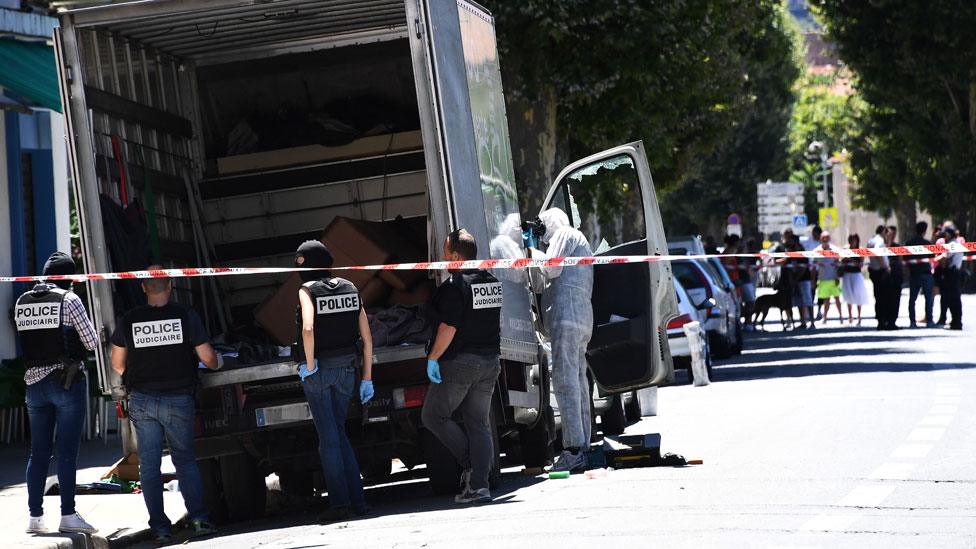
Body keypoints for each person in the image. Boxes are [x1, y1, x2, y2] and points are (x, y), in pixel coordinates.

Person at [110, 268, 220, 543]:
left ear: (144, 288)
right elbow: (208, 358)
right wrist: (217, 363)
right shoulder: (185, 316)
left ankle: (160, 528)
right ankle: (199, 520)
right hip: (178, 398)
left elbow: (117, 363)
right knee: (184, 461)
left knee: (148, 467)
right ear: (170, 284)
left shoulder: (130, 319)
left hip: (143, 400)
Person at [16, 252, 98, 535]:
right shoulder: (70, 299)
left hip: (33, 385)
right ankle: (68, 514)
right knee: (66, 453)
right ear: (69, 278)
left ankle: (35, 517)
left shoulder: (22, 301)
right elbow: (90, 342)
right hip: (66, 382)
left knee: (37, 453)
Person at [293, 241, 373, 520]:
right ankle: (359, 502)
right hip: (347, 371)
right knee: (338, 433)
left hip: (321, 371)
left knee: (328, 439)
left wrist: (311, 365)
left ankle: (340, 504)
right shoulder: (352, 288)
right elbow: (367, 337)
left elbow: (307, 328)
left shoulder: (307, 290)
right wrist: (367, 378)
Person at [422, 229, 503, 504]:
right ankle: (480, 486)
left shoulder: (455, 286)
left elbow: (449, 327)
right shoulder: (491, 281)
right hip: (490, 361)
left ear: (456, 257)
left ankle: (470, 462)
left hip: (461, 362)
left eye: (445, 254)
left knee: (433, 416)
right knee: (478, 423)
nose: (443, 259)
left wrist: (433, 357)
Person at [535, 208, 595, 472]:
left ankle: (573, 449)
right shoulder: (580, 239)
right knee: (579, 381)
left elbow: (551, 268)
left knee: (565, 381)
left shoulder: (565, 233)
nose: (545, 238)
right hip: (581, 317)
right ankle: (584, 445)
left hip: (567, 316)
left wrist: (530, 252)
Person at [905, 221, 935, 328]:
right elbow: (932, 257)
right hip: (926, 274)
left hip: (914, 274)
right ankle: (929, 320)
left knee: (912, 299)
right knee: (928, 298)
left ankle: (912, 321)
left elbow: (905, 259)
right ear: (925, 231)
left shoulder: (909, 243)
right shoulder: (927, 244)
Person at [841, 234, 869, 325]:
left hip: (856, 274)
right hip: (847, 274)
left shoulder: (860, 250)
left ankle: (859, 316)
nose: (853, 242)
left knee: (858, 295)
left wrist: (852, 259)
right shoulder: (846, 249)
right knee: (848, 295)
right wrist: (845, 258)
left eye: (854, 240)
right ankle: (850, 317)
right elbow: (841, 260)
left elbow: (861, 264)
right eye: (851, 240)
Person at [866, 225, 891, 330]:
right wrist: (885, 266)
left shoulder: (871, 240)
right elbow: (878, 253)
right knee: (883, 297)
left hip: (874, 271)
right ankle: (882, 321)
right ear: (883, 232)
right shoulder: (879, 241)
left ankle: (880, 319)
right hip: (880, 272)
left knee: (878, 296)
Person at [814, 231, 842, 323]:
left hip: (833, 278)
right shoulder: (817, 250)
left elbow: (838, 263)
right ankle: (825, 318)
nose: (825, 239)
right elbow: (814, 265)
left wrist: (837, 276)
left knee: (837, 298)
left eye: (827, 237)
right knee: (826, 300)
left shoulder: (834, 250)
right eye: (823, 237)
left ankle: (841, 317)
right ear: (820, 239)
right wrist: (813, 280)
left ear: (829, 238)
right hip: (823, 278)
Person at [939, 226, 963, 330]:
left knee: (952, 299)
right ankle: (956, 321)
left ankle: (956, 322)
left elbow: (944, 259)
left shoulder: (952, 244)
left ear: (949, 234)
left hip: (952, 274)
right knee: (954, 298)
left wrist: (936, 259)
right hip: (954, 273)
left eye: (945, 234)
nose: (944, 236)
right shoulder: (955, 243)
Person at [882, 225, 904, 330]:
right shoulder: (882, 246)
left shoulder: (897, 246)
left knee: (895, 300)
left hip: (896, 276)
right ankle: (884, 321)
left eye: (894, 234)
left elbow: (900, 260)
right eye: (891, 233)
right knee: (885, 299)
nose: (893, 235)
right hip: (885, 277)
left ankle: (892, 321)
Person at [805, 226, 825, 320]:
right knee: (811, 291)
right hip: (811, 270)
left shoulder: (823, 243)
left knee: (821, 292)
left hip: (821, 271)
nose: (814, 235)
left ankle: (819, 311)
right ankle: (810, 311)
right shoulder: (808, 242)